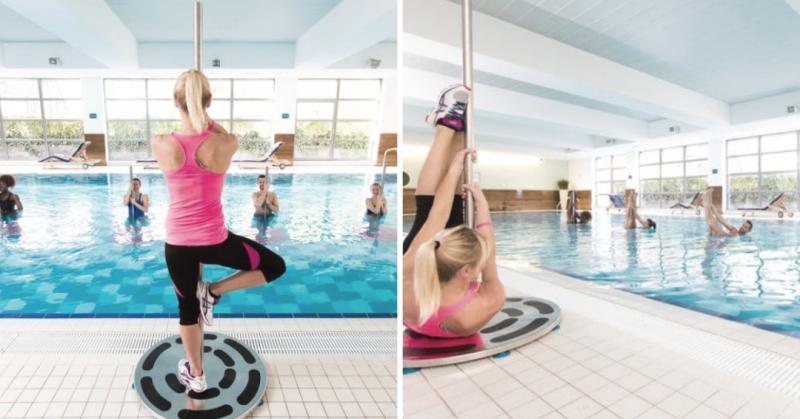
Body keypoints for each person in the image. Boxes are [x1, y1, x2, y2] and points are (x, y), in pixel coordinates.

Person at [151, 69, 286, 393]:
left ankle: (196, 375)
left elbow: (187, 133)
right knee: (274, 266)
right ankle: (213, 291)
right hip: (215, 241)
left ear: (174, 101)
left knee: (186, 309)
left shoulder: (160, 142)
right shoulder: (226, 141)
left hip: (178, 244)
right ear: (209, 101)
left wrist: (194, 117)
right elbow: (217, 132)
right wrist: (206, 120)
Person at [402, 84, 505, 338]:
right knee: (444, 214)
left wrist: (455, 169)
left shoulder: (407, 280)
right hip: (446, 298)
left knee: (429, 213)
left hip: (422, 300)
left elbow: (438, 217)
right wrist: (481, 206)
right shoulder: (485, 303)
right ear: (466, 271)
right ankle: (456, 127)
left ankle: (445, 126)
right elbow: (489, 261)